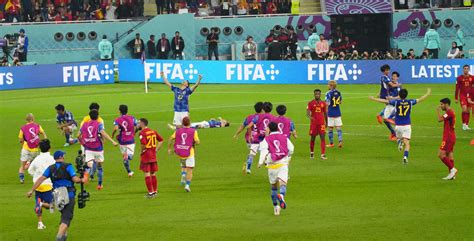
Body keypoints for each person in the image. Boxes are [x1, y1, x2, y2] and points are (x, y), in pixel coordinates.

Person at [26, 150, 87, 241]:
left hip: (57, 196)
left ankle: (63, 237)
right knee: (67, 218)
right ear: (61, 157)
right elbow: (75, 179)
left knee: (63, 216)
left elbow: (41, 179)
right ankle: (58, 238)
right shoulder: (68, 166)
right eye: (63, 156)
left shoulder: (51, 168)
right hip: (68, 195)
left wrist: (32, 190)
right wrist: (82, 179)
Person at [369, 88, 431, 164]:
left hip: (398, 126)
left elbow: (385, 101)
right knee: (407, 143)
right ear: (406, 95)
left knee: (398, 138)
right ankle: (405, 157)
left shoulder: (396, 102)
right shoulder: (410, 102)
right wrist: (427, 93)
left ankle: (400, 142)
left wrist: (373, 99)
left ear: (399, 95)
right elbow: (421, 99)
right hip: (407, 125)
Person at [258, 122, 294, 216]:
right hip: (282, 164)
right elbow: (291, 149)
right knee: (283, 183)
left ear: (269, 129)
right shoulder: (284, 137)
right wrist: (287, 156)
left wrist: (260, 162)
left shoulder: (266, 139)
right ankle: (281, 195)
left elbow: (264, 151)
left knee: (273, 187)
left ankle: (275, 207)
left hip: (272, 165)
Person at [79, 110, 118, 190]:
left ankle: (86, 174)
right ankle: (99, 185)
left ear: (90, 116)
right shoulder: (98, 124)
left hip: (88, 148)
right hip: (97, 149)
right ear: (97, 116)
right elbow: (103, 133)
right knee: (99, 166)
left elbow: (78, 135)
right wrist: (113, 141)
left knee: (89, 165)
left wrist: (82, 143)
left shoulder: (84, 124)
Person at [27, 139, 55, 229]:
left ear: (39, 148)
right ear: (49, 148)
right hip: (47, 185)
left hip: (37, 186)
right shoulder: (52, 159)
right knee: (51, 206)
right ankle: (41, 204)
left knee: (38, 203)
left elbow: (30, 171)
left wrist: (36, 176)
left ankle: (40, 223)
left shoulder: (36, 159)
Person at [168, 117, 200, 192]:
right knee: (190, 170)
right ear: (190, 123)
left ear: (182, 123)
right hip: (189, 153)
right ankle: (187, 185)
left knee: (183, 164)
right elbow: (197, 142)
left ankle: (183, 175)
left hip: (180, 152)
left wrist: (169, 148)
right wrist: (196, 142)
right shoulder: (193, 131)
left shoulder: (178, 131)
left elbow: (170, 138)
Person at [233, 102, 264, 174]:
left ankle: (248, 167)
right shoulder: (264, 118)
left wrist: (236, 134)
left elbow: (242, 126)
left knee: (252, 153)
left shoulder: (249, 117)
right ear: (262, 109)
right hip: (259, 139)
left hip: (249, 140)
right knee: (265, 152)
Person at [138, 118, 164, 198]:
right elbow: (161, 140)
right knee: (153, 173)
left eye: (139, 123)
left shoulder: (142, 133)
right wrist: (156, 149)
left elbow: (144, 144)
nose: (137, 125)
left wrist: (141, 151)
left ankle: (150, 193)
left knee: (147, 174)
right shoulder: (153, 131)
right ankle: (155, 191)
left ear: (142, 124)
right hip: (153, 155)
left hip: (146, 155)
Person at [18, 113, 47, 184]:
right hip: (35, 149)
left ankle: (21, 178)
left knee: (22, 166)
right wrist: (44, 140)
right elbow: (43, 133)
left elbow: (21, 139)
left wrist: (23, 144)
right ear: (33, 119)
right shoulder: (37, 126)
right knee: (36, 164)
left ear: (26, 120)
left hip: (25, 148)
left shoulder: (23, 128)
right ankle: (37, 176)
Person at [111, 105, 138, 177]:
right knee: (130, 156)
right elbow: (137, 126)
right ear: (127, 110)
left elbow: (115, 128)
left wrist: (112, 135)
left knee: (124, 157)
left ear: (119, 111)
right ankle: (128, 157)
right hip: (130, 140)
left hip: (122, 140)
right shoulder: (132, 118)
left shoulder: (117, 119)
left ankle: (129, 171)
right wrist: (134, 132)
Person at [375, 65, 399, 140]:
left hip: (393, 101)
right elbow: (389, 85)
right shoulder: (386, 78)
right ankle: (394, 134)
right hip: (389, 98)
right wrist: (399, 84)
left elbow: (383, 86)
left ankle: (393, 133)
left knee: (387, 118)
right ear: (385, 70)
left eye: (395, 76)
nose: (393, 77)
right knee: (392, 119)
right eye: (388, 70)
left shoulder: (386, 78)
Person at [436, 98, 458, 180]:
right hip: (451, 136)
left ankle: (453, 170)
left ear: (446, 104)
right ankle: (452, 175)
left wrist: (438, 111)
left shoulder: (449, 113)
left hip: (448, 137)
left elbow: (439, 119)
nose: (440, 106)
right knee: (449, 155)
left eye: (442, 104)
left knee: (441, 155)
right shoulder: (450, 112)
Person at [307, 89, 327, 160]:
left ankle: (323, 155)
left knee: (323, 138)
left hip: (321, 123)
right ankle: (312, 153)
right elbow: (308, 112)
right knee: (313, 138)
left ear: (320, 94)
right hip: (314, 124)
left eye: (318, 94)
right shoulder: (310, 103)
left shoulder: (323, 103)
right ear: (314, 94)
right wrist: (310, 117)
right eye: (316, 94)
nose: (317, 95)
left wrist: (326, 122)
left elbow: (325, 113)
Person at [455, 65, 473, 130]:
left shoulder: (472, 77)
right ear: (463, 70)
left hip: (470, 97)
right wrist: (456, 98)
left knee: (468, 111)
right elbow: (457, 88)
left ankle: (466, 125)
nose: (466, 70)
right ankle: (463, 124)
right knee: (464, 109)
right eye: (465, 68)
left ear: (469, 69)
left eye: (467, 69)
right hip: (462, 96)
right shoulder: (459, 78)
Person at [325, 80, 343, 148]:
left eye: (328, 85)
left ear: (331, 86)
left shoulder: (328, 93)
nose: (327, 86)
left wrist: (326, 110)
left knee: (330, 129)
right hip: (337, 112)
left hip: (331, 112)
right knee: (338, 128)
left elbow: (327, 103)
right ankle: (340, 141)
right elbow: (340, 101)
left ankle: (331, 143)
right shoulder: (339, 92)